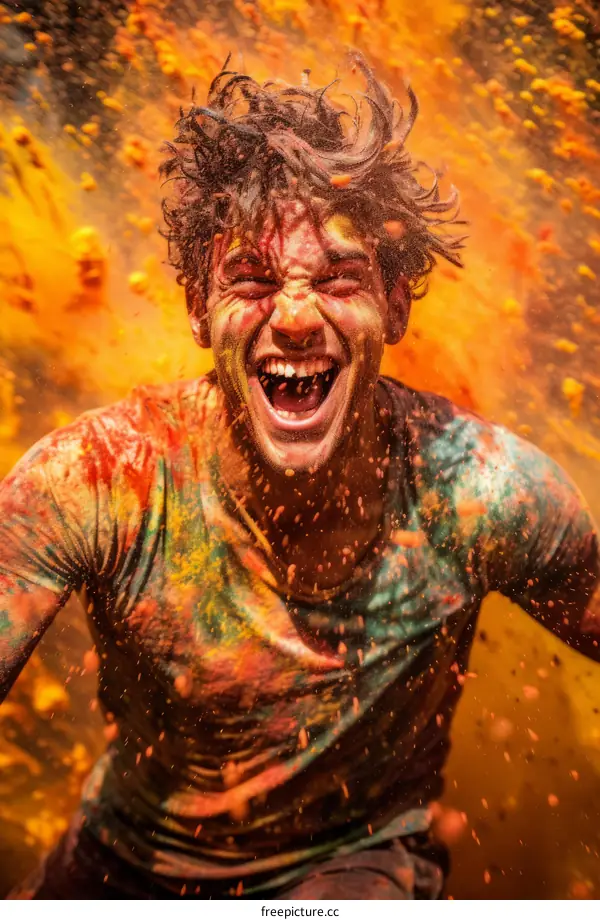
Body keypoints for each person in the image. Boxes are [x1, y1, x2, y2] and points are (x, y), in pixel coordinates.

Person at [2, 57, 599, 900]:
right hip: (121, 863)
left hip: (357, 869)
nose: (292, 317)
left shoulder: (479, 492)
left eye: (338, 279)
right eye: (250, 279)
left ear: (396, 304)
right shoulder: (100, 481)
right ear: (198, 306)